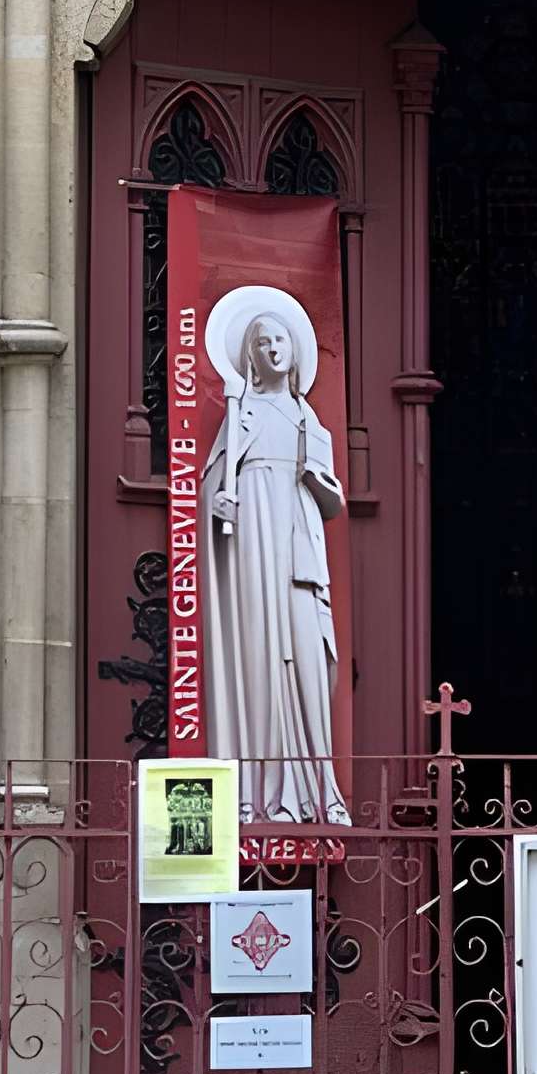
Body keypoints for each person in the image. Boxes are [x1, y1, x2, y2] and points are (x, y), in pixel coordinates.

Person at [201, 299, 350, 823]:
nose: (272, 348)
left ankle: (315, 788)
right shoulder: (239, 416)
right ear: (250, 355)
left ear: (294, 352)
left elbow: (334, 500)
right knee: (262, 658)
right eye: (262, 342)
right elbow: (215, 489)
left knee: (310, 660)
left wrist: (316, 480)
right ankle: (266, 794)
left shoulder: (307, 417)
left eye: (280, 340)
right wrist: (218, 500)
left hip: (299, 556)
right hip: (254, 557)